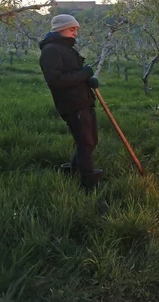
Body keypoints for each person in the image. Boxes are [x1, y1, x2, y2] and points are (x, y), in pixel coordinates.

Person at [39, 14, 102, 190]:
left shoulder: (66, 48)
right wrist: (84, 74)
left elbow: (72, 72)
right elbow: (55, 80)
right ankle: (88, 185)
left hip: (83, 100)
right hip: (72, 104)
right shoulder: (51, 50)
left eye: (76, 29)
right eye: (72, 29)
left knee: (90, 140)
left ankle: (72, 170)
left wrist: (87, 80)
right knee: (86, 142)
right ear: (60, 29)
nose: (76, 33)